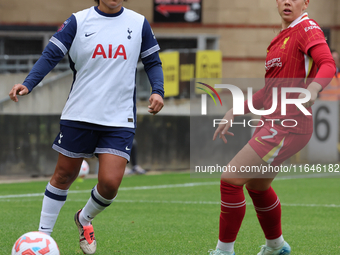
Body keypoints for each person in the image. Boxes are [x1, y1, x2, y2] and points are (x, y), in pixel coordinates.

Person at [9, 0, 164, 254]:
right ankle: (42, 239)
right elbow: (51, 54)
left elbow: (153, 62)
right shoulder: (78, 21)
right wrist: (29, 83)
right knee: (63, 175)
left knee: (110, 183)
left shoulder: (138, 24)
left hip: (118, 118)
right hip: (80, 113)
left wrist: (158, 90)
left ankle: (84, 219)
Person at [209, 0, 335, 255]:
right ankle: (276, 246)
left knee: (230, 180)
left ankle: (224, 251)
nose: (288, 1)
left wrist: (313, 88)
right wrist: (235, 109)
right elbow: (269, 92)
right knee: (257, 186)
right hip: (274, 122)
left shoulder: (307, 27)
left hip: (288, 125)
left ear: (306, 2)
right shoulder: (280, 39)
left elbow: (328, 64)